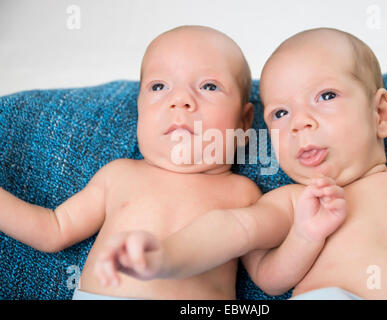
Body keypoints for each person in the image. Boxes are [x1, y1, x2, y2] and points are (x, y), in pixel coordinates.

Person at [95, 28, 387, 300]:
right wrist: (165, 256)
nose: (299, 122)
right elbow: (236, 236)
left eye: (325, 96)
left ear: (381, 113)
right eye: (280, 113)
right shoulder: (293, 201)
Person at [0, 25, 263, 300]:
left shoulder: (243, 193)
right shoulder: (119, 176)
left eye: (209, 86)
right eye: (159, 86)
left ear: (245, 123)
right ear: (138, 109)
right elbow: (53, 229)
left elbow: (268, 279)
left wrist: (306, 231)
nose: (180, 100)